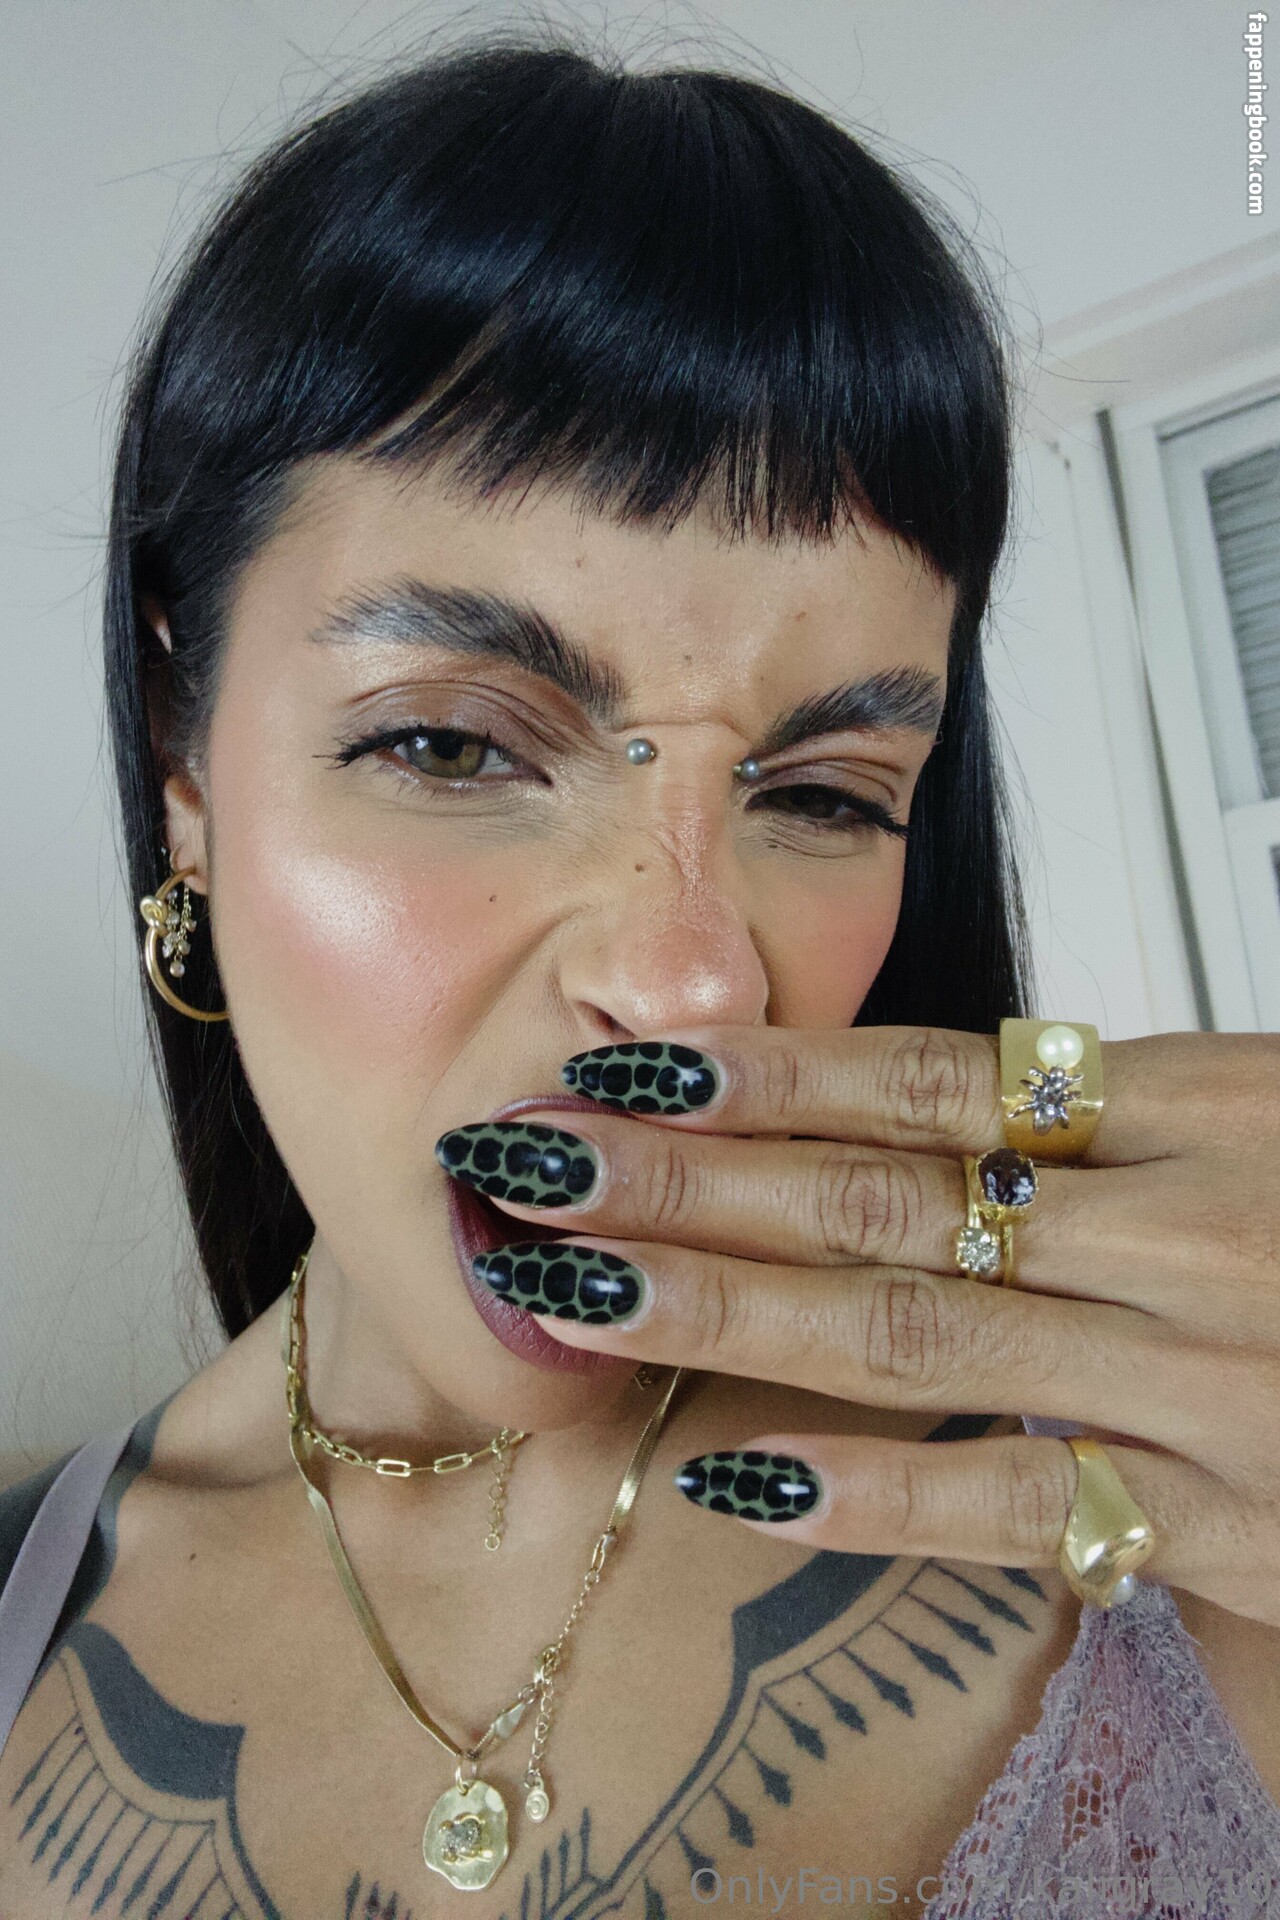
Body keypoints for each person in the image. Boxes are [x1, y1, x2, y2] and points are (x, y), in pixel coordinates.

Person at [2, 26, 1278, 1918]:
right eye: (450, 744)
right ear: (183, 764)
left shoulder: (1191, 1518)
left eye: (827, 792)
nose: (692, 981)